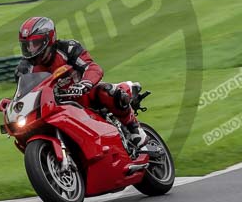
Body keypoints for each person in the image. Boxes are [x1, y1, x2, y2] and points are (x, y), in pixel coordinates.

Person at [15, 16, 147, 148]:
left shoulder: (68, 49)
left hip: (83, 96)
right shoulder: (25, 68)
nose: (31, 50)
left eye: (35, 44)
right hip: (53, 108)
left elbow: (92, 67)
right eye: (27, 46)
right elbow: (24, 92)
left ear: (48, 40)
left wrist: (85, 84)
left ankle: (134, 129)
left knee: (109, 93)